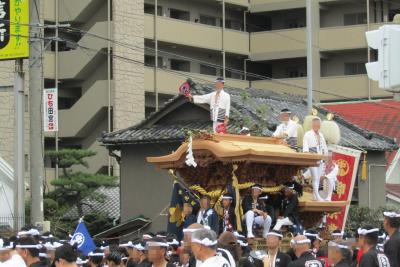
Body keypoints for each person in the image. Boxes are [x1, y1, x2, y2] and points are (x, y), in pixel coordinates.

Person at [303, 117, 328, 201]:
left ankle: (315, 195)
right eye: (314, 124)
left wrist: (326, 156)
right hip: (312, 159)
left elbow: (324, 147)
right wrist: (307, 154)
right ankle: (317, 196)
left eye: (318, 124)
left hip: (321, 159)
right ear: (312, 125)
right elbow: (305, 148)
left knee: (318, 176)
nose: (316, 126)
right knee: (315, 178)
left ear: (320, 125)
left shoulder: (321, 135)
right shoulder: (307, 134)